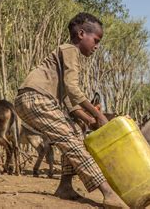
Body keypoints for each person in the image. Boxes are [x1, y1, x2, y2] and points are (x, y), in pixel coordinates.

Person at [14, 12, 126, 208]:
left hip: (33, 100)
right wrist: (98, 115)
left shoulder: (65, 55)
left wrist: (90, 121)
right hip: (35, 99)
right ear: (82, 34)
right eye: (96, 40)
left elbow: (69, 101)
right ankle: (108, 193)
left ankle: (65, 186)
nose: (97, 46)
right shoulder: (70, 50)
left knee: (74, 132)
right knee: (71, 141)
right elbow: (74, 90)